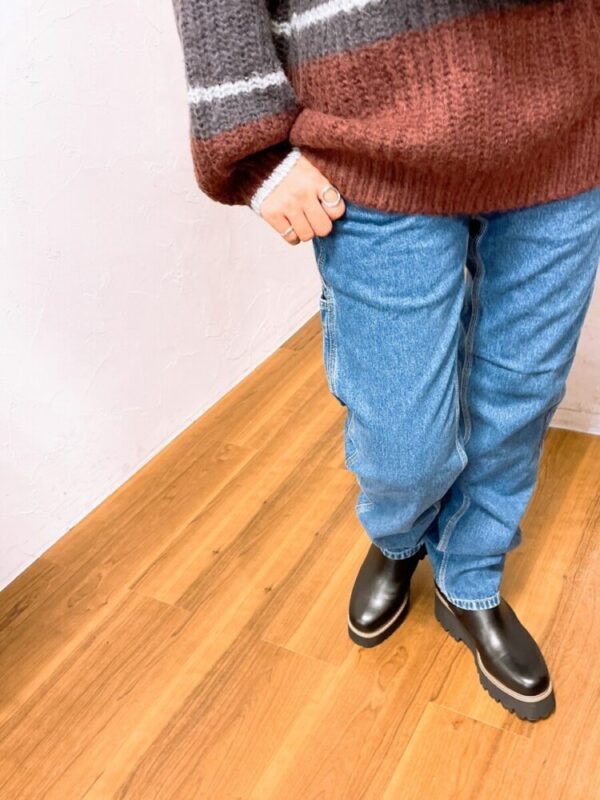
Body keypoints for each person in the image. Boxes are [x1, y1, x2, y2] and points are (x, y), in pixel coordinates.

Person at [171, 0, 600, 722]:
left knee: (522, 391)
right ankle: (400, 535)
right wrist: (249, 143)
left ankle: (470, 576)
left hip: (568, 109)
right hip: (367, 122)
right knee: (404, 441)